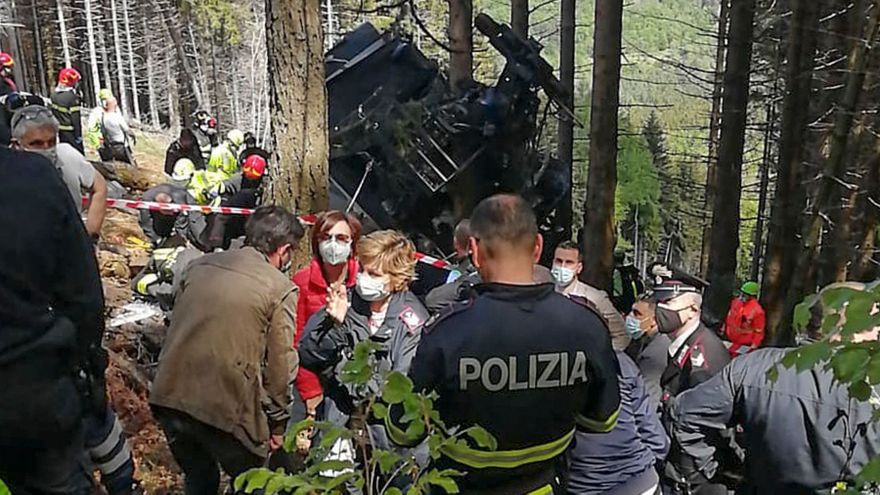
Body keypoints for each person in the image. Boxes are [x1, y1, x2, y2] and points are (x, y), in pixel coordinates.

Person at [387, 194, 622, 494]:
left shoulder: (448, 332)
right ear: (537, 247)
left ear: (473, 250)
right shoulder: (586, 326)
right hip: (544, 485)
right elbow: (603, 420)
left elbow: (402, 430)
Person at [669, 283, 880, 494]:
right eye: (874, 323)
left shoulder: (755, 367)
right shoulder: (754, 369)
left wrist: (711, 476)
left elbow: (685, 415)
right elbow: (687, 416)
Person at [150, 206, 303, 495]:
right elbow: (280, 367)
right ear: (284, 250)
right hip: (224, 407)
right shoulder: (280, 288)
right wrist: (278, 423)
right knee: (256, 482)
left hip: (169, 396)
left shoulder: (199, 265)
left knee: (200, 477)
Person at [0, 146, 103, 493]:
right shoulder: (33, 177)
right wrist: (83, 363)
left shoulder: (47, 169)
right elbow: (84, 294)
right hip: (34, 389)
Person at [299, 229, 427, 460]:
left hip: (386, 441)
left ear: (397, 279)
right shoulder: (345, 301)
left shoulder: (411, 322)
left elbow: (394, 390)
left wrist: (342, 367)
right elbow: (308, 354)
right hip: (338, 424)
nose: (364, 279)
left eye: (374, 274)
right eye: (362, 270)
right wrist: (334, 325)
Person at [291, 211, 363, 421]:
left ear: (353, 244)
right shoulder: (302, 282)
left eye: (341, 238)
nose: (333, 244)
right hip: (311, 384)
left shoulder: (364, 283)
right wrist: (311, 393)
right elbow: (294, 343)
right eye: (325, 237)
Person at [567, 349, 669, 495]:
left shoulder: (550, 367)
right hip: (641, 483)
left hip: (585, 486)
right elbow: (657, 440)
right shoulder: (620, 361)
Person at [11, 105, 108, 238]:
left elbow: (99, 186)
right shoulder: (7, 174)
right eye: (36, 143)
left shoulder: (68, 155)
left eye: (51, 142)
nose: (46, 149)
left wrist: (91, 233)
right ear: (17, 144)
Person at [551, 240, 629, 350]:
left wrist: (598, 357)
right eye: (559, 261)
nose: (563, 267)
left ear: (579, 268)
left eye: (569, 262)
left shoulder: (595, 298)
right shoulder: (542, 293)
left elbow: (621, 336)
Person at [624, 296, 671, 410]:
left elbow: (648, 397)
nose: (630, 317)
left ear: (654, 320)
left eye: (637, 314)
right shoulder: (642, 339)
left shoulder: (655, 353)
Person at [722, 281, 766, 357]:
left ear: (752, 296)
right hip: (729, 340)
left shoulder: (758, 311)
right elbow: (729, 316)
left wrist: (754, 346)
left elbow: (759, 332)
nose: (742, 295)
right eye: (742, 293)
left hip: (743, 346)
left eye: (745, 294)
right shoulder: (736, 302)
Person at [51, 67, 84, 153]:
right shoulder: (72, 97)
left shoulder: (54, 95)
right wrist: (78, 135)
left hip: (61, 131)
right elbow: (75, 118)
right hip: (71, 132)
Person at [98, 96, 136, 164]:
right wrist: (133, 136)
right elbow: (127, 130)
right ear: (114, 105)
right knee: (133, 166)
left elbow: (103, 133)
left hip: (111, 148)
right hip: (123, 148)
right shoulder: (117, 117)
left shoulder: (103, 118)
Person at [612, 249, 643, 313]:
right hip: (633, 302)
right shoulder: (632, 271)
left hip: (621, 307)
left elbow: (617, 293)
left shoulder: (616, 273)